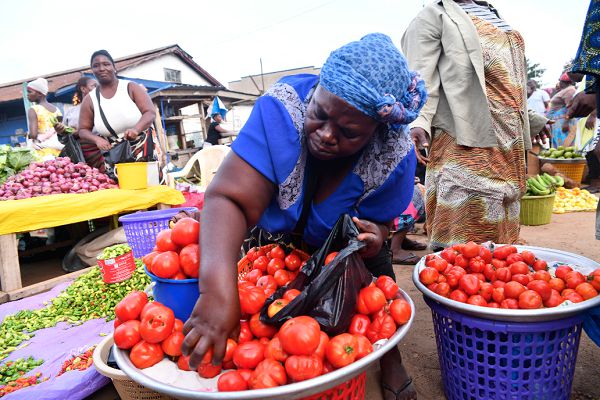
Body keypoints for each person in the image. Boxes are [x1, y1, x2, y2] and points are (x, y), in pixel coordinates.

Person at [180, 33, 426, 400]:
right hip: (274, 240)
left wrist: (374, 236)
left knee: (377, 292)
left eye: (348, 132)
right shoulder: (284, 108)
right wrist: (217, 289)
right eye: (320, 115)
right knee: (264, 313)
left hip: (343, 248)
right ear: (315, 95)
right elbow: (229, 199)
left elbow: (382, 227)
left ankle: (391, 359)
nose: (326, 135)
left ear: (375, 131)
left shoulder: (393, 156)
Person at [402, 0, 533, 250]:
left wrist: (534, 120)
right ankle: (452, 286)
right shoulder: (434, 16)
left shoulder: (492, 13)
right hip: (465, 137)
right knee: (465, 233)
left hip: (509, 144)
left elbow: (508, 80)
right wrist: (418, 121)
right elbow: (418, 78)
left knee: (502, 235)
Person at [78, 50, 158, 177]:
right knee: (122, 193)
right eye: (96, 65)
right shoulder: (90, 99)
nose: (102, 68)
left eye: (106, 64)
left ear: (114, 67)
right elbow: (83, 130)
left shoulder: (131, 87)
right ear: (92, 70)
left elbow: (149, 113)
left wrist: (136, 130)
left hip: (143, 150)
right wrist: (96, 139)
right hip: (114, 156)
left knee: (149, 189)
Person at [54, 76, 105, 169]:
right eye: (94, 86)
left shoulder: (104, 107)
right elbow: (65, 138)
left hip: (101, 151)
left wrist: (80, 132)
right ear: (83, 89)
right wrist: (61, 131)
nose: (98, 88)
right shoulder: (71, 112)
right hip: (79, 154)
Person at [26, 77, 64, 154]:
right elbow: (61, 130)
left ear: (40, 93)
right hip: (58, 150)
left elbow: (33, 135)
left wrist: (27, 135)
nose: (27, 95)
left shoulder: (33, 109)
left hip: (42, 151)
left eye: (30, 92)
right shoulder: (57, 110)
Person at [547, 73, 578, 148]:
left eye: (560, 81)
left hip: (563, 122)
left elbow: (570, 107)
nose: (559, 83)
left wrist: (566, 123)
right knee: (559, 145)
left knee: (564, 145)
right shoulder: (565, 90)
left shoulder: (570, 90)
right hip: (558, 122)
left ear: (563, 82)